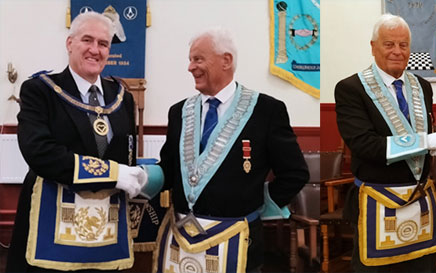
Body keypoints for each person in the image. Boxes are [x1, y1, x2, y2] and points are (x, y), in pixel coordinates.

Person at [152, 27, 308, 272]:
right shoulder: (179, 112)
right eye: (190, 60)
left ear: (226, 61)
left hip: (239, 241)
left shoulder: (266, 110)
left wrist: (257, 204)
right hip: (183, 241)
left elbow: (295, 173)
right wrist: (137, 178)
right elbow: (168, 168)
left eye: (198, 59)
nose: (190, 67)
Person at [7, 11, 147, 272]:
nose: (95, 50)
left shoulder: (122, 97)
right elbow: (40, 153)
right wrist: (113, 174)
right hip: (51, 226)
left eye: (103, 44)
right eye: (87, 40)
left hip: (105, 231)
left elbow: (126, 158)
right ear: (70, 43)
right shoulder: (41, 90)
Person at [335, 14, 436, 272]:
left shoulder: (422, 86)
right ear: (373, 46)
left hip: (419, 200)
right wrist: (425, 141)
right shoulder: (351, 88)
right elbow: (365, 145)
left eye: (403, 45)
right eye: (389, 44)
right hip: (377, 203)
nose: (397, 52)